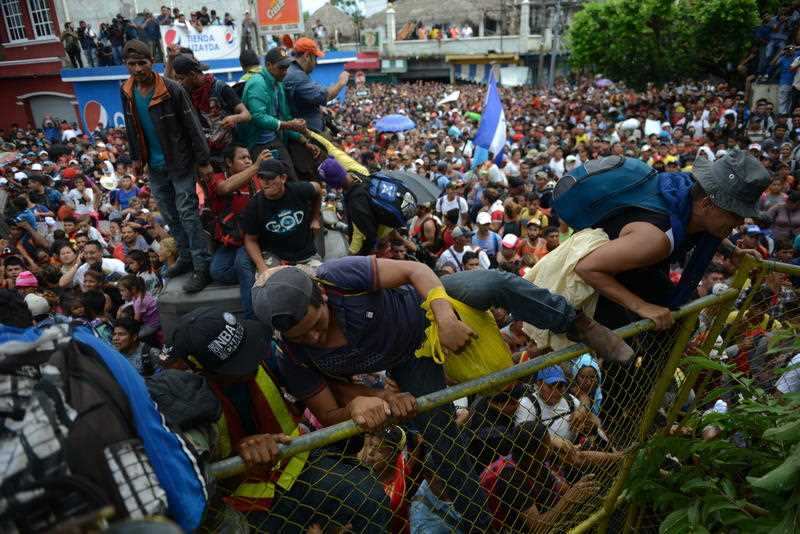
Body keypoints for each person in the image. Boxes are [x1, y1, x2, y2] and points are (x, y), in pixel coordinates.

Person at [251, 258, 633, 532]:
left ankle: (577, 323)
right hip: (408, 360)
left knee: (493, 284)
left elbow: (415, 270)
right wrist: (370, 399)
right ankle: (479, 524)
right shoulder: (293, 354)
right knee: (444, 443)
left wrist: (446, 318)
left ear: (321, 296)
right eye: (303, 336)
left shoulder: (336, 278)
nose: (314, 338)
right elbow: (331, 409)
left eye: (317, 325)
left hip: (427, 304)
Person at [167, 307, 391, 532]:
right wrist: (239, 459)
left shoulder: (264, 357)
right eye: (239, 362)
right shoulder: (182, 409)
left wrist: (360, 401)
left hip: (297, 462)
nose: (252, 360)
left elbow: (319, 387)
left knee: (367, 496)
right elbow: (200, 486)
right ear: (201, 371)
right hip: (243, 497)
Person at [575, 150, 771, 331]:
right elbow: (587, 268)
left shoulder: (689, 191)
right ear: (707, 204)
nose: (741, 222)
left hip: (638, 269)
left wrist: (733, 251)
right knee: (626, 347)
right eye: (735, 214)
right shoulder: (655, 239)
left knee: (682, 321)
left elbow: (701, 226)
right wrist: (642, 307)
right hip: (596, 284)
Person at [120, 40, 213, 293]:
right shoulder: (126, 91)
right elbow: (131, 127)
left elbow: (193, 126)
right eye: (132, 64)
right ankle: (185, 257)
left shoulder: (172, 89)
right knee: (170, 214)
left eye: (142, 63)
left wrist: (203, 161)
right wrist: (136, 158)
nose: (138, 69)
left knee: (188, 213)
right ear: (126, 65)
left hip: (180, 162)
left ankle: (201, 266)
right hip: (154, 165)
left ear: (153, 62)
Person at [482, 420, 601, 532]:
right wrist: (570, 497)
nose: (551, 446)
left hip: (550, 511)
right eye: (548, 443)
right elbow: (538, 528)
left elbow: (578, 458)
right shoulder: (511, 478)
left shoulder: (537, 459)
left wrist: (618, 457)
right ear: (536, 450)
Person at [206, 144, 268, 319]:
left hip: (252, 239)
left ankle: (253, 319)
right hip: (231, 240)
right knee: (217, 272)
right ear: (228, 162)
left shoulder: (259, 179)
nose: (248, 161)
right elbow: (224, 189)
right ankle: (257, 271)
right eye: (243, 158)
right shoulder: (218, 178)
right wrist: (256, 166)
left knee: (242, 265)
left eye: (250, 157)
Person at [240, 47, 318, 180]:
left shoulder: (278, 85)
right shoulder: (257, 84)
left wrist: (304, 141)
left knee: (291, 179)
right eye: (281, 67)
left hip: (275, 140)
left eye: (287, 67)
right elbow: (258, 117)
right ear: (269, 65)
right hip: (257, 144)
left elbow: (285, 117)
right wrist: (288, 125)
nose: (285, 71)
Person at [241, 158, 322, 277]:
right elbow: (250, 240)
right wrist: (262, 267)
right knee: (268, 283)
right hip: (275, 256)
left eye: (270, 178)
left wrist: (315, 218)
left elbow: (318, 189)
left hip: (305, 254)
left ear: (283, 178)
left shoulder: (299, 190)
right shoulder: (254, 206)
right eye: (261, 178)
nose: (265, 182)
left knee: (321, 280)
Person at [317, 157, 400, 256]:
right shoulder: (358, 173)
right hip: (387, 229)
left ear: (333, 182)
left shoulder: (355, 199)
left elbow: (365, 234)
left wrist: (354, 256)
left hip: (379, 242)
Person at [171, 54, 251, 155]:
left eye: (181, 79)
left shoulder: (220, 88)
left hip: (228, 150)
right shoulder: (185, 93)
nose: (179, 83)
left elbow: (246, 115)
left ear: (192, 75)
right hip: (204, 152)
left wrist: (233, 118)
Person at [284, 37, 350, 133]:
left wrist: (319, 107)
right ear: (306, 56)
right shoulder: (297, 75)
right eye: (315, 58)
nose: (316, 63)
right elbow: (324, 96)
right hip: (305, 134)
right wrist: (341, 83)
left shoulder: (294, 70)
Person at [59, 240, 126, 290]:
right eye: (86, 253)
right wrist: (77, 264)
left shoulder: (115, 263)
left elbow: (129, 282)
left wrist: (110, 284)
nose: (88, 256)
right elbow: (62, 284)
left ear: (101, 252)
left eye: (92, 253)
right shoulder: (81, 269)